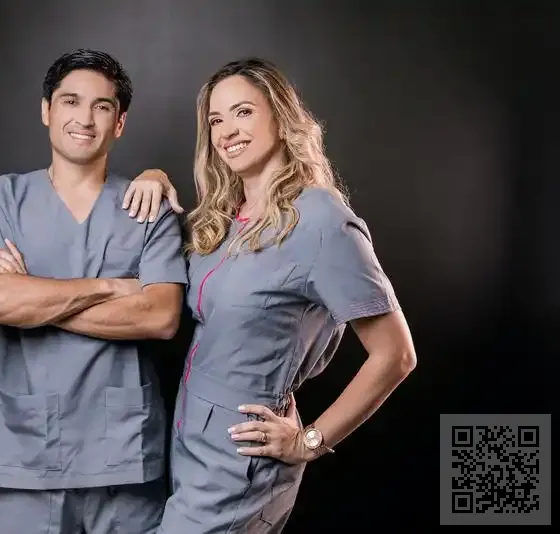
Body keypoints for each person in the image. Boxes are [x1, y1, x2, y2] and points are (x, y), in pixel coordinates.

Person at [122, 58, 418, 532]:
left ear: (281, 119)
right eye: (216, 120)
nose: (226, 131)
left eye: (243, 112)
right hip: (187, 444)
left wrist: (309, 441)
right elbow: (163, 291)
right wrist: (154, 177)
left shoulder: (322, 220)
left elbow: (396, 355)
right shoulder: (225, 216)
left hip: (240, 461)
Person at [0, 49, 188, 534]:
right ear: (46, 110)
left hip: (123, 454)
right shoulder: (3, 198)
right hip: (25, 453)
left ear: (120, 122)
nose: (85, 118)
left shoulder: (149, 207)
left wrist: (31, 296)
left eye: (102, 106)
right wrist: (110, 287)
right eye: (71, 101)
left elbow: (161, 317)